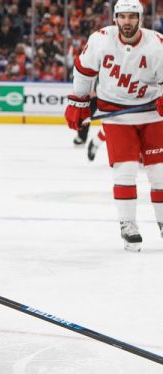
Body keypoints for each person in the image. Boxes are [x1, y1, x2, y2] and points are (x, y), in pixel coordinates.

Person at [65, 0, 163, 252]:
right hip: (116, 115)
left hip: (152, 114)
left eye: (132, 16)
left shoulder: (157, 44)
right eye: (123, 17)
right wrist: (78, 100)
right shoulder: (100, 40)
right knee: (126, 170)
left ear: (140, 18)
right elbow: (84, 71)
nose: (127, 22)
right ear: (115, 18)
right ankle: (128, 224)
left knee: (160, 173)